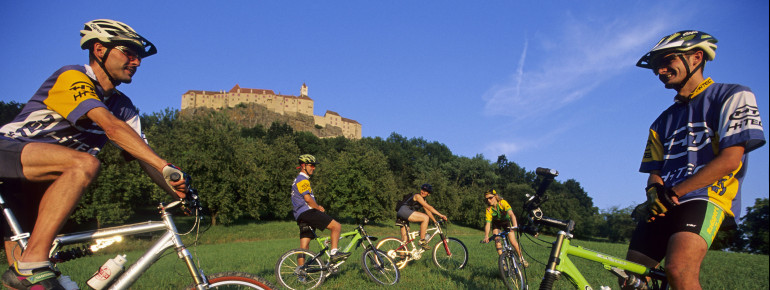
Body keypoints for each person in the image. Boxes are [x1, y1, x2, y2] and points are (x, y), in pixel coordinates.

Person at [0, 19, 189, 289]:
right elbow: (111, 128)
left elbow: (144, 156)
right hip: (7, 153)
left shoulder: (124, 107)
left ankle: (29, 267)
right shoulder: (73, 77)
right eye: (129, 53)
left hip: (34, 188)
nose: (137, 62)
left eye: (139, 57)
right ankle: (32, 263)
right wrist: (164, 165)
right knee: (84, 164)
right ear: (100, 50)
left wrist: (182, 195)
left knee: (29, 285)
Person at [625, 30, 765, 290]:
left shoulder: (733, 95)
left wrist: (673, 192)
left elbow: (730, 160)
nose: (661, 71)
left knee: (679, 270)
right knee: (631, 279)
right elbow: (655, 170)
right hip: (668, 200)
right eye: (656, 67)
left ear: (697, 57)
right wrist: (654, 192)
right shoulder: (660, 122)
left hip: (706, 196)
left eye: (667, 62)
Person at [290, 154, 350, 263]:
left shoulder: (298, 180)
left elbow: (306, 199)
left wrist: (317, 206)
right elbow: (307, 199)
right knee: (336, 226)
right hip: (307, 212)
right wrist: (317, 208)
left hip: (300, 215)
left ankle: (301, 273)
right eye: (311, 165)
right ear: (303, 166)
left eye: (314, 166)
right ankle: (334, 253)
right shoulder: (303, 179)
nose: (314, 168)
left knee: (304, 247)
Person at [480, 189, 528, 267]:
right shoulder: (489, 210)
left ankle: (521, 258)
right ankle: (503, 263)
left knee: (513, 242)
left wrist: (515, 225)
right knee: (497, 240)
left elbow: (511, 214)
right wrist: (486, 236)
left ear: (495, 197)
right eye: (486, 199)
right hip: (497, 224)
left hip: (506, 222)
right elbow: (488, 223)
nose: (488, 200)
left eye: (490, 198)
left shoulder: (503, 203)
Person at [395, 183, 447, 250]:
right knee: (425, 218)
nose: (423, 192)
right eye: (422, 190)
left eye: (425, 191)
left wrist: (435, 221)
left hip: (401, 214)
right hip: (404, 210)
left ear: (428, 194)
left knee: (405, 240)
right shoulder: (417, 196)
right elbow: (429, 207)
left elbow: (428, 211)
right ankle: (422, 240)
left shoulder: (423, 200)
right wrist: (441, 215)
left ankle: (401, 259)